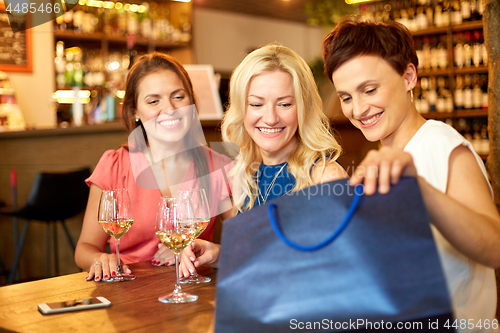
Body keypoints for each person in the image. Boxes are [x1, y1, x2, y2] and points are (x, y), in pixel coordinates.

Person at [322, 17, 500, 328]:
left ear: (408, 76)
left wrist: (421, 191)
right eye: (346, 97)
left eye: (369, 89)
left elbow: (496, 247)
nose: (358, 109)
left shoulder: (442, 145)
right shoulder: (382, 158)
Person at [179, 44, 348, 277]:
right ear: (242, 109)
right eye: (257, 104)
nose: (270, 118)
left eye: (285, 104)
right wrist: (220, 254)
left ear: (303, 108)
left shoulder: (325, 176)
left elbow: (337, 268)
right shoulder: (242, 173)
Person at [75, 52, 233, 282]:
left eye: (178, 97)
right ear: (135, 111)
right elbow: (84, 248)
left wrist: (207, 252)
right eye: (153, 101)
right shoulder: (115, 165)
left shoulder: (218, 166)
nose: (169, 109)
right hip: (128, 298)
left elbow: (247, 244)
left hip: (195, 295)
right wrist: (100, 258)